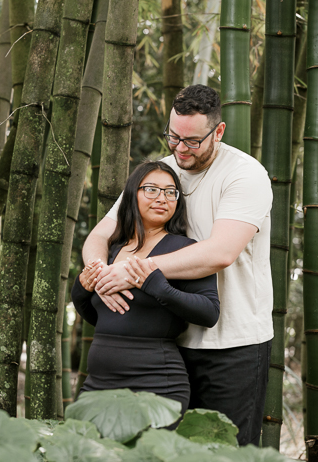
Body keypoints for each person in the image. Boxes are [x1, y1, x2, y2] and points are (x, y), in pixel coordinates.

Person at [82, 85, 273, 446]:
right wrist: (98, 272)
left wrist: (134, 270)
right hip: (169, 347)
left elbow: (220, 253)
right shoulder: (162, 172)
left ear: (218, 132)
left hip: (232, 345)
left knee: (225, 452)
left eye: (192, 141)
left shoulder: (245, 175)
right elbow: (100, 236)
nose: (180, 148)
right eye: (173, 137)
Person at [72, 161, 219, 417]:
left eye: (170, 192)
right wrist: (83, 288)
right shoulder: (113, 247)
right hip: (98, 384)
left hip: (156, 384)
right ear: (132, 195)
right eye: (151, 189)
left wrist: (157, 286)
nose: (162, 198)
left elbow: (209, 312)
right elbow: (100, 316)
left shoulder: (185, 249)